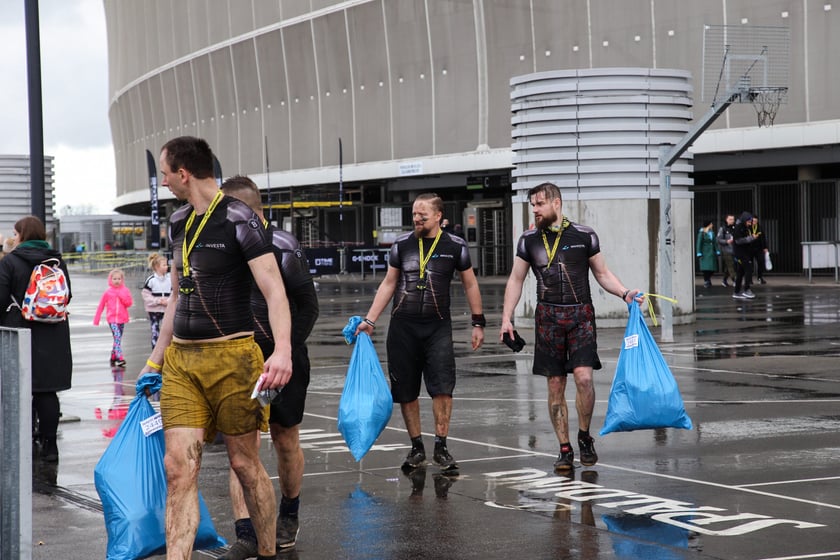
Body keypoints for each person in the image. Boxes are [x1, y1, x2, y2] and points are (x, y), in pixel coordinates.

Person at [138, 136, 293, 560]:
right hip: (182, 363)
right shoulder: (178, 222)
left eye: (166, 173)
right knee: (177, 468)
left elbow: (274, 291)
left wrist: (282, 352)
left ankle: (266, 550)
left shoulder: (240, 219)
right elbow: (176, 298)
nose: (164, 181)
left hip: (233, 359)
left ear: (184, 173)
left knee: (244, 464)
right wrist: (155, 358)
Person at [499, 182, 642, 473]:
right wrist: (506, 317)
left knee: (584, 379)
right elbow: (516, 279)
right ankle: (564, 448)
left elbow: (601, 273)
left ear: (556, 203)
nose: (535, 210)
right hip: (548, 318)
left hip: (580, 316)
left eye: (539, 204)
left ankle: (584, 436)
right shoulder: (528, 240)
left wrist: (624, 292)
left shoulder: (584, 235)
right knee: (555, 384)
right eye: (533, 205)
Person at [218, 176, 319, 558]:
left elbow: (308, 307)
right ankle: (246, 532)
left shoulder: (283, 245)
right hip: (238, 360)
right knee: (240, 447)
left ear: (246, 209)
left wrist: (284, 354)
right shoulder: (223, 247)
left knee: (285, 439)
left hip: (283, 358)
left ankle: (289, 513)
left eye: (226, 210)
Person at [355, 192, 485, 475]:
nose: (416, 218)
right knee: (406, 391)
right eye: (414, 214)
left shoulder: (455, 246)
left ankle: (441, 446)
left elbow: (471, 284)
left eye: (422, 215)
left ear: (438, 216)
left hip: (438, 328)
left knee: (442, 388)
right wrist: (370, 320)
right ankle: (416, 447)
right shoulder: (402, 244)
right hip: (403, 327)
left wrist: (478, 322)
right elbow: (389, 284)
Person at [0, 216, 73, 463]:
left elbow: (1, 298)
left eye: (16, 233)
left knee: (21, 389)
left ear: (23, 234)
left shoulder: (11, 261)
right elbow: (67, 295)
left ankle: (25, 440)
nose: (15, 237)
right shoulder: (57, 261)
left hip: (20, 329)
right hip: (53, 332)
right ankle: (51, 445)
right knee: (47, 391)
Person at [93, 268, 133, 367]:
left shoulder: (125, 290)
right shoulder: (108, 292)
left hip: (122, 319)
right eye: (114, 279)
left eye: (119, 279)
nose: (117, 281)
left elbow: (129, 303)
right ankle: (120, 357)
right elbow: (101, 305)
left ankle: (113, 355)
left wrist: (122, 297)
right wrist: (96, 319)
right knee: (117, 337)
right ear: (110, 280)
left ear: (122, 280)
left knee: (117, 339)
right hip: (112, 319)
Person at [141, 253, 171, 348]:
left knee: (166, 330)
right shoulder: (151, 280)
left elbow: (174, 293)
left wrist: (168, 302)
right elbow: (146, 295)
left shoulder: (170, 279)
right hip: (154, 310)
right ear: (157, 267)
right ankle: (155, 349)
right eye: (164, 265)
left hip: (167, 309)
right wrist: (158, 301)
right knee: (155, 330)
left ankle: (166, 348)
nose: (167, 267)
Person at [732, 211, 759, 299]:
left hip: (744, 252)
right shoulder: (739, 227)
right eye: (748, 222)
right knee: (748, 269)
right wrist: (751, 238)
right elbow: (738, 240)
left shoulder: (744, 227)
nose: (749, 224)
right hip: (741, 253)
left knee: (740, 272)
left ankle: (736, 291)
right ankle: (746, 289)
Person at [696, 220, 719, 288]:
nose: (712, 225)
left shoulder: (712, 233)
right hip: (705, 252)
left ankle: (708, 279)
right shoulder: (702, 233)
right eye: (711, 224)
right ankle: (706, 280)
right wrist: (699, 252)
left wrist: (717, 250)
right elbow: (699, 243)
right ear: (708, 225)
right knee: (706, 268)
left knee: (712, 268)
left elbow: (715, 242)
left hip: (711, 253)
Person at [716, 214, 736, 287]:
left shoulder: (735, 228)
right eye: (730, 219)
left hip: (734, 250)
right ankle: (735, 280)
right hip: (726, 250)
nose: (732, 221)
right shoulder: (723, 229)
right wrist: (726, 241)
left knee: (728, 266)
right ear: (726, 220)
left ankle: (724, 280)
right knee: (731, 265)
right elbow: (718, 239)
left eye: (733, 219)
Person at [751, 215, 769, 285]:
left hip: (759, 248)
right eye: (753, 221)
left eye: (756, 221)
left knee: (761, 262)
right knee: (750, 264)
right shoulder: (748, 228)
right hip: (750, 248)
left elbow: (763, 238)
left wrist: (765, 247)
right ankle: (749, 279)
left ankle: (760, 277)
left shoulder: (760, 228)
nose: (754, 222)